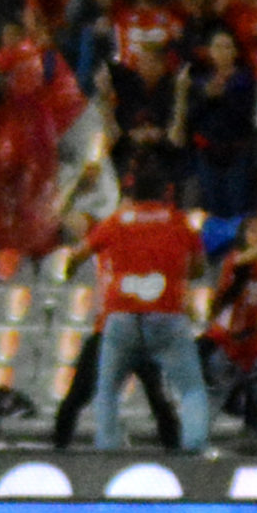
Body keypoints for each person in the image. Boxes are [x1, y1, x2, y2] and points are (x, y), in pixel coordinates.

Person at [67, 159, 209, 452]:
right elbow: (198, 268)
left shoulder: (118, 220)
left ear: (132, 190)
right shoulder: (178, 221)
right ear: (165, 192)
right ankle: (194, 448)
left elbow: (77, 256)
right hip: (166, 315)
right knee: (192, 389)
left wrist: (70, 269)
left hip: (122, 317)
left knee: (107, 390)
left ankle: (108, 448)